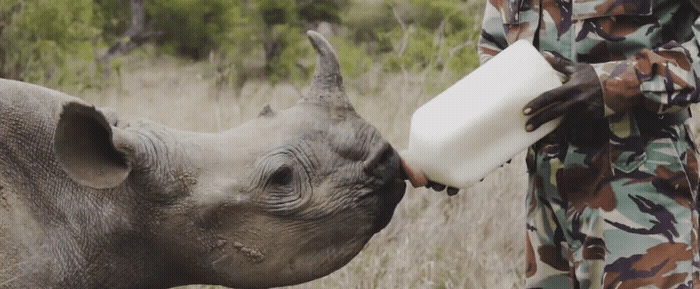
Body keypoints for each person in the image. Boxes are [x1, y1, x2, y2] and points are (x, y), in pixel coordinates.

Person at [403, 0, 700, 287]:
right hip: (547, 201)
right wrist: (475, 141)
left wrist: (619, 82)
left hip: (645, 189)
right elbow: (495, 47)